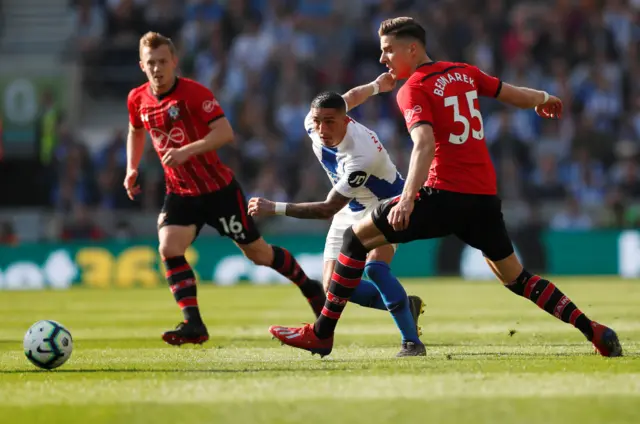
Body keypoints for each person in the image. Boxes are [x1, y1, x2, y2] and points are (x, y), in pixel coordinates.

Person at [269, 17, 622, 358]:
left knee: (354, 239)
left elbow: (424, 144)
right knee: (517, 278)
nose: (382, 58)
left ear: (412, 49)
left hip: (442, 195)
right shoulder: (464, 73)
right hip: (482, 198)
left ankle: (322, 334)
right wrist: (545, 97)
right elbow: (512, 94)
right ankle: (595, 331)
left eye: (388, 50)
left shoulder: (413, 89)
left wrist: (407, 198)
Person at [125, 32, 325, 346]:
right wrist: (132, 167)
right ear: (141, 65)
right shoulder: (137, 98)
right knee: (169, 247)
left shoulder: (193, 94)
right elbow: (136, 130)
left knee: (259, 254)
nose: (157, 68)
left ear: (174, 61)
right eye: (151, 63)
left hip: (218, 191)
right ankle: (194, 324)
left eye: (163, 61)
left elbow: (224, 132)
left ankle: (309, 287)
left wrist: (188, 150)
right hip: (180, 192)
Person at [248, 84, 426, 357]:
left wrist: (275, 207)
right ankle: (405, 305)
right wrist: (377, 85)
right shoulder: (314, 121)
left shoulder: (361, 154)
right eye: (318, 121)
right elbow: (351, 98)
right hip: (349, 207)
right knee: (334, 288)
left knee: (375, 269)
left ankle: (411, 342)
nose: (322, 129)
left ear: (345, 121)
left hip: (384, 204)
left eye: (330, 122)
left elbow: (326, 208)